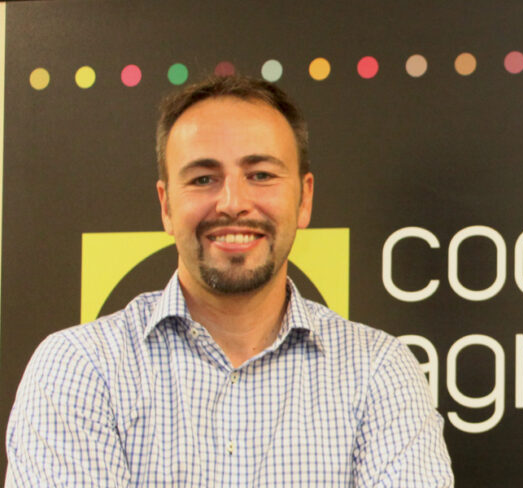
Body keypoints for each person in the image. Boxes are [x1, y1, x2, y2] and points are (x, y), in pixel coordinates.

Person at [5, 75, 454, 486]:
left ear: (304, 198)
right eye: (203, 178)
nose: (233, 202)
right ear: (166, 205)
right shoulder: (80, 369)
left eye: (261, 175)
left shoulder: (379, 372)